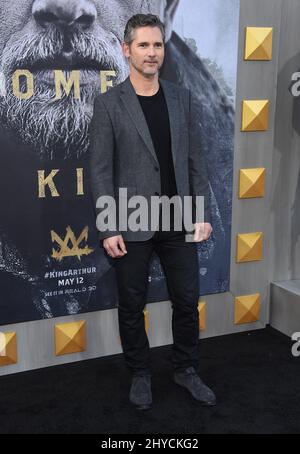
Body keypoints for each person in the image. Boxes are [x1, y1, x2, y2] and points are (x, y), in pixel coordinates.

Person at [89, 13, 216, 410]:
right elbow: (100, 170)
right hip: (131, 220)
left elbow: (195, 159)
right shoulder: (109, 104)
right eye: (143, 45)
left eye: (157, 45)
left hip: (178, 218)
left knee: (186, 299)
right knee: (131, 304)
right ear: (126, 50)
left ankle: (186, 369)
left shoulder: (183, 99)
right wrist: (109, 226)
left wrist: (202, 213)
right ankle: (140, 374)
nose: (151, 53)